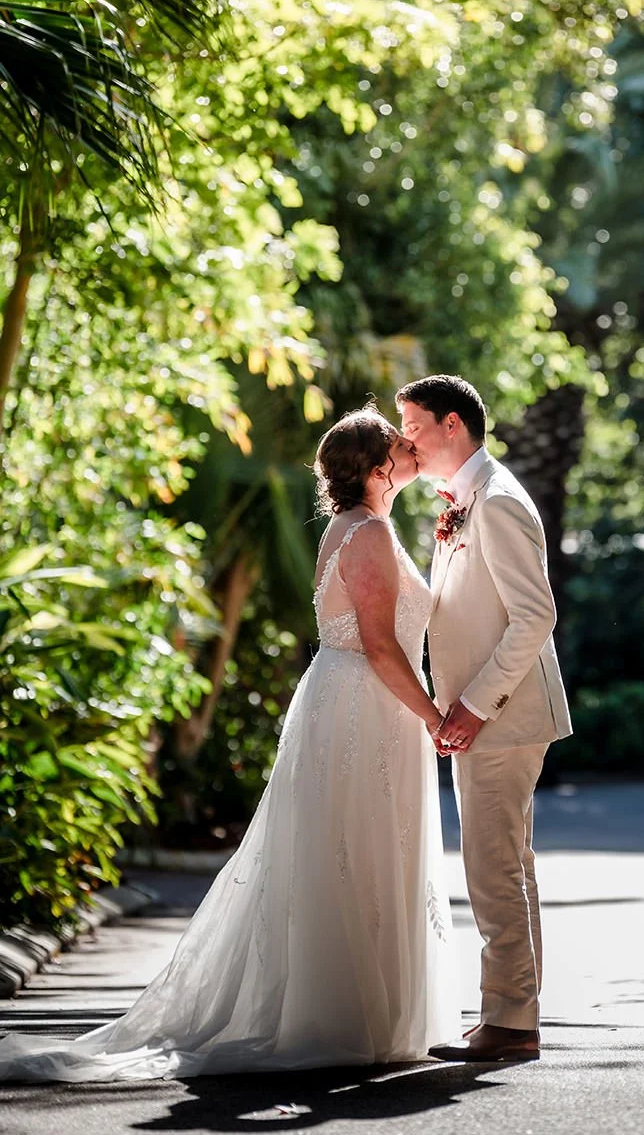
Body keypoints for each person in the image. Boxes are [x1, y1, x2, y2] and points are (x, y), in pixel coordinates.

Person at [0, 409, 458, 1082]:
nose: (409, 443)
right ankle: (346, 1016)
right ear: (373, 466)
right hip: (367, 703)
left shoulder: (358, 526)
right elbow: (382, 646)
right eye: (397, 441)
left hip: (359, 699)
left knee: (357, 848)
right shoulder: (368, 532)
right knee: (355, 848)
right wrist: (434, 717)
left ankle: (364, 1012)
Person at [397, 375, 572, 1064]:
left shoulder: (496, 501)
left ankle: (510, 1022)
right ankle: (512, 1014)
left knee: (494, 867)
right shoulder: (465, 499)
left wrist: (472, 705)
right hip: (489, 715)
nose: (406, 439)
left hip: (503, 715)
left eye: (414, 425)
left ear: (452, 425)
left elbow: (535, 616)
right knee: (507, 865)